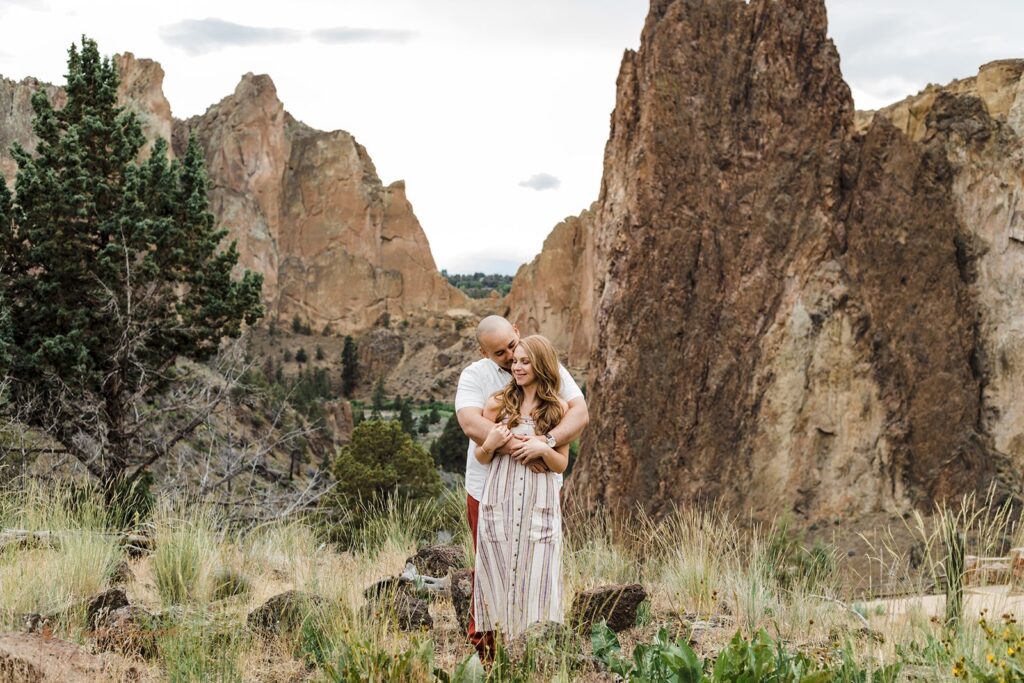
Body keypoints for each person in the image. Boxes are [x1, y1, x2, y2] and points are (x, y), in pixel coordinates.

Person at [455, 316, 588, 654]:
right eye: (501, 354)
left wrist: (545, 442)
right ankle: (488, 655)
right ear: (484, 352)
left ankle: (534, 650)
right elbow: (471, 423)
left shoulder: (547, 367)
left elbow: (579, 414)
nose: (511, 358)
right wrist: (516, 444)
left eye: (514, 348)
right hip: (488, 489)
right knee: (490, 567)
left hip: (538, 491)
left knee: (537, 567)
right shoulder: (478, 379)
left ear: (517, 330)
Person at [472, 334, 570, 640]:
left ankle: (537, 650)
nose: (517, 367)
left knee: (538, 574)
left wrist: (543, 449)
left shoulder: (558, 410)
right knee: (498, 572)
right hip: (500, 495)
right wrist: (490, 443)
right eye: (515, 361)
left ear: (541, 364)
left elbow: (561, 464)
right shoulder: (498, 403)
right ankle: (501, 656)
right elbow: (481, 457)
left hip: (538, 499)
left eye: (525, 361)